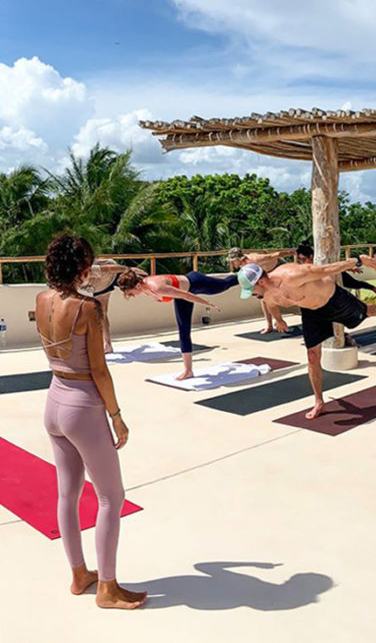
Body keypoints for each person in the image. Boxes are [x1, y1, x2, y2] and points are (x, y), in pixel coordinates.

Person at [36, 234, 146, 609]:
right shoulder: (89, 309)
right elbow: (99, 371)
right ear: (82, 269)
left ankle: (79, 574)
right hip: (81, 406)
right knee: (111, 498)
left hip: (53, 400)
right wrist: (117, 417)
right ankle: (108, 588)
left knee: (68, 494)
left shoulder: (40, 298)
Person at [238, 256, 376, 420]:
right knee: (312, 356)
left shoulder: (293, 275)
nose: (252, 295)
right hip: (311, 313)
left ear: (260, 282)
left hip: (333, 300)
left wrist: (357, 261)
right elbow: (271, 305)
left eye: (251, 290)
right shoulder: (266, 294)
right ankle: (319, 401)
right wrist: (279, 320)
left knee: (366, 312)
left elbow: (328, 269)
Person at [116, 270, 235, 380]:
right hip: (181, 297)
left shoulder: (157, 287)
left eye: (131, 293)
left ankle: (242, 276)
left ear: (137, 286)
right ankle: (188, 371)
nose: (133, 296)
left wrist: (207, 304)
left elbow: (186, 295)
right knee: (183, 331)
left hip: (196, 283)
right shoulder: (143, 286)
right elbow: (132, 271)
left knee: (224, 284)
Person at [78, 259, 147, 354]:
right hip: (99, 286)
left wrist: (128, 269)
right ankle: (107, 345)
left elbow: (109, 269)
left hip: (113, 273)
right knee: (101, 312)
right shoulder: (67, 281)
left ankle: (159, 287)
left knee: (138, 286)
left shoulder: (85, 269)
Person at [227, 247, 296, 334]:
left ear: (240, 258)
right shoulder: (242, 266)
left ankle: (278, 321)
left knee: (276, 297)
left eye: (233, 261)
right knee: (263, 300)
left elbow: (274, 255)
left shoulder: (255, 259)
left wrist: (292, 252)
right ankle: (269, 325)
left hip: (277, 268)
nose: (232, 263)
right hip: (264, 275)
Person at [295, 244, 376, 299]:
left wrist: (351, 268)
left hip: (337, 273)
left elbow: (336, 265)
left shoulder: (320, 260)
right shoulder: (305, 267)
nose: (302, 261)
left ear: (311, 256)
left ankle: (372, 288)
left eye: (303, 259)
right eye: (300, 260)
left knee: (354, 284)